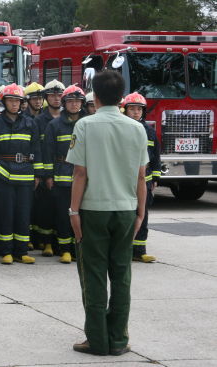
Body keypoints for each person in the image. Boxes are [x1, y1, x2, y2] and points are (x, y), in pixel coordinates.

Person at [67, 70, 148, 356]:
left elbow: (79, 173)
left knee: (94, 275)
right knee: (122, 275)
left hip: (93, 210)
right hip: (126, 210)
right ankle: (118, 339)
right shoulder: (137, 128)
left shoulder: (85, 126)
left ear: (95, 97)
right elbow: (141, 177)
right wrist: (140, 213)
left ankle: (97, 339)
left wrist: (74, 211)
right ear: (122, 98)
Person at [0, 83, 43, 265]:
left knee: (23, 214)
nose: (15, 104)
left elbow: (36, 149)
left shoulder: (30, 124)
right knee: (5, 214)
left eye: (18, 101)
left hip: (25, 175)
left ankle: (21, 251)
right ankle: (6, 251)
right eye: (11, 100)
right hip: (3, 174)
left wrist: (37, 174)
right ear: (4, 102)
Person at [44, 85, 86, 264]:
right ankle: (65, 250)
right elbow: (47, 152)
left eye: (77, 101)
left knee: (82, 214)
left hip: (84, 175)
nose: (74, 105)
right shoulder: (54, 125)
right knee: (63, 214)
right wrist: (48, 175)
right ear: (64, 104)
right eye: (70, 101)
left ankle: (79, 248)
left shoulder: (88, 123)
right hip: (62, 175)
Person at [122, 92, 160, 263]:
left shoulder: (150, 132)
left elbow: (156, 156)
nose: (136, 112)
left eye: (139, 109)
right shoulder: (121, 129)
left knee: (143, 215)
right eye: (132, 109)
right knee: (126, 215)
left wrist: (156, 178)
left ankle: (140, 250)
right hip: (126, 181)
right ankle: (124, 248)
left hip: (145, 180)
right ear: (125, 110)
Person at [33, 79, 65, 256]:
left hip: (66, 171)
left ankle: (61, 243)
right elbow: (38, 148)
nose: (56, 99)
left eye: (59, 95)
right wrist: (43, 174)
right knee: (46, 209)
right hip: (47, 170)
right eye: (52, 95)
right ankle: (47, 243)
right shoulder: (39, 120)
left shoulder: (72, 117)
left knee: (63, 210)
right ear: (46, 98)